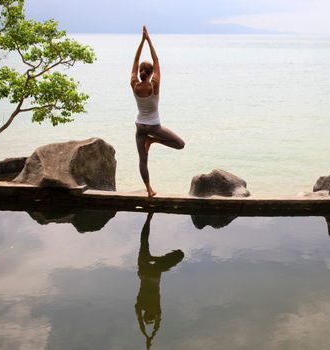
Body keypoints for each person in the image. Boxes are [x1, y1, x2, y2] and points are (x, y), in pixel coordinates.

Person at [131, 26, 185, 197]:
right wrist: (148, 39)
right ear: (152, 72)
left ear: (140, 73)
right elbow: (156, 59)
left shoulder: (134, 84)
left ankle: (149, 190)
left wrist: (141, 42)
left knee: (142, 160)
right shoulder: (155, 84)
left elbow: (135, 60)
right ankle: (154, 141)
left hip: (140, 125)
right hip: (154, 127)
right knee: (180, 144)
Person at [135, 212, 184, 349]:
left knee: (180, 255)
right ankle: (148, 219)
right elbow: (141, 321)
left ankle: (149, 219)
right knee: (143, 242)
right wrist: (147, 336)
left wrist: (150, 337)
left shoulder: (155, 308)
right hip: (145, 271)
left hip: (153, 273)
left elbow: (156, 324)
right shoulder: (140, 307)